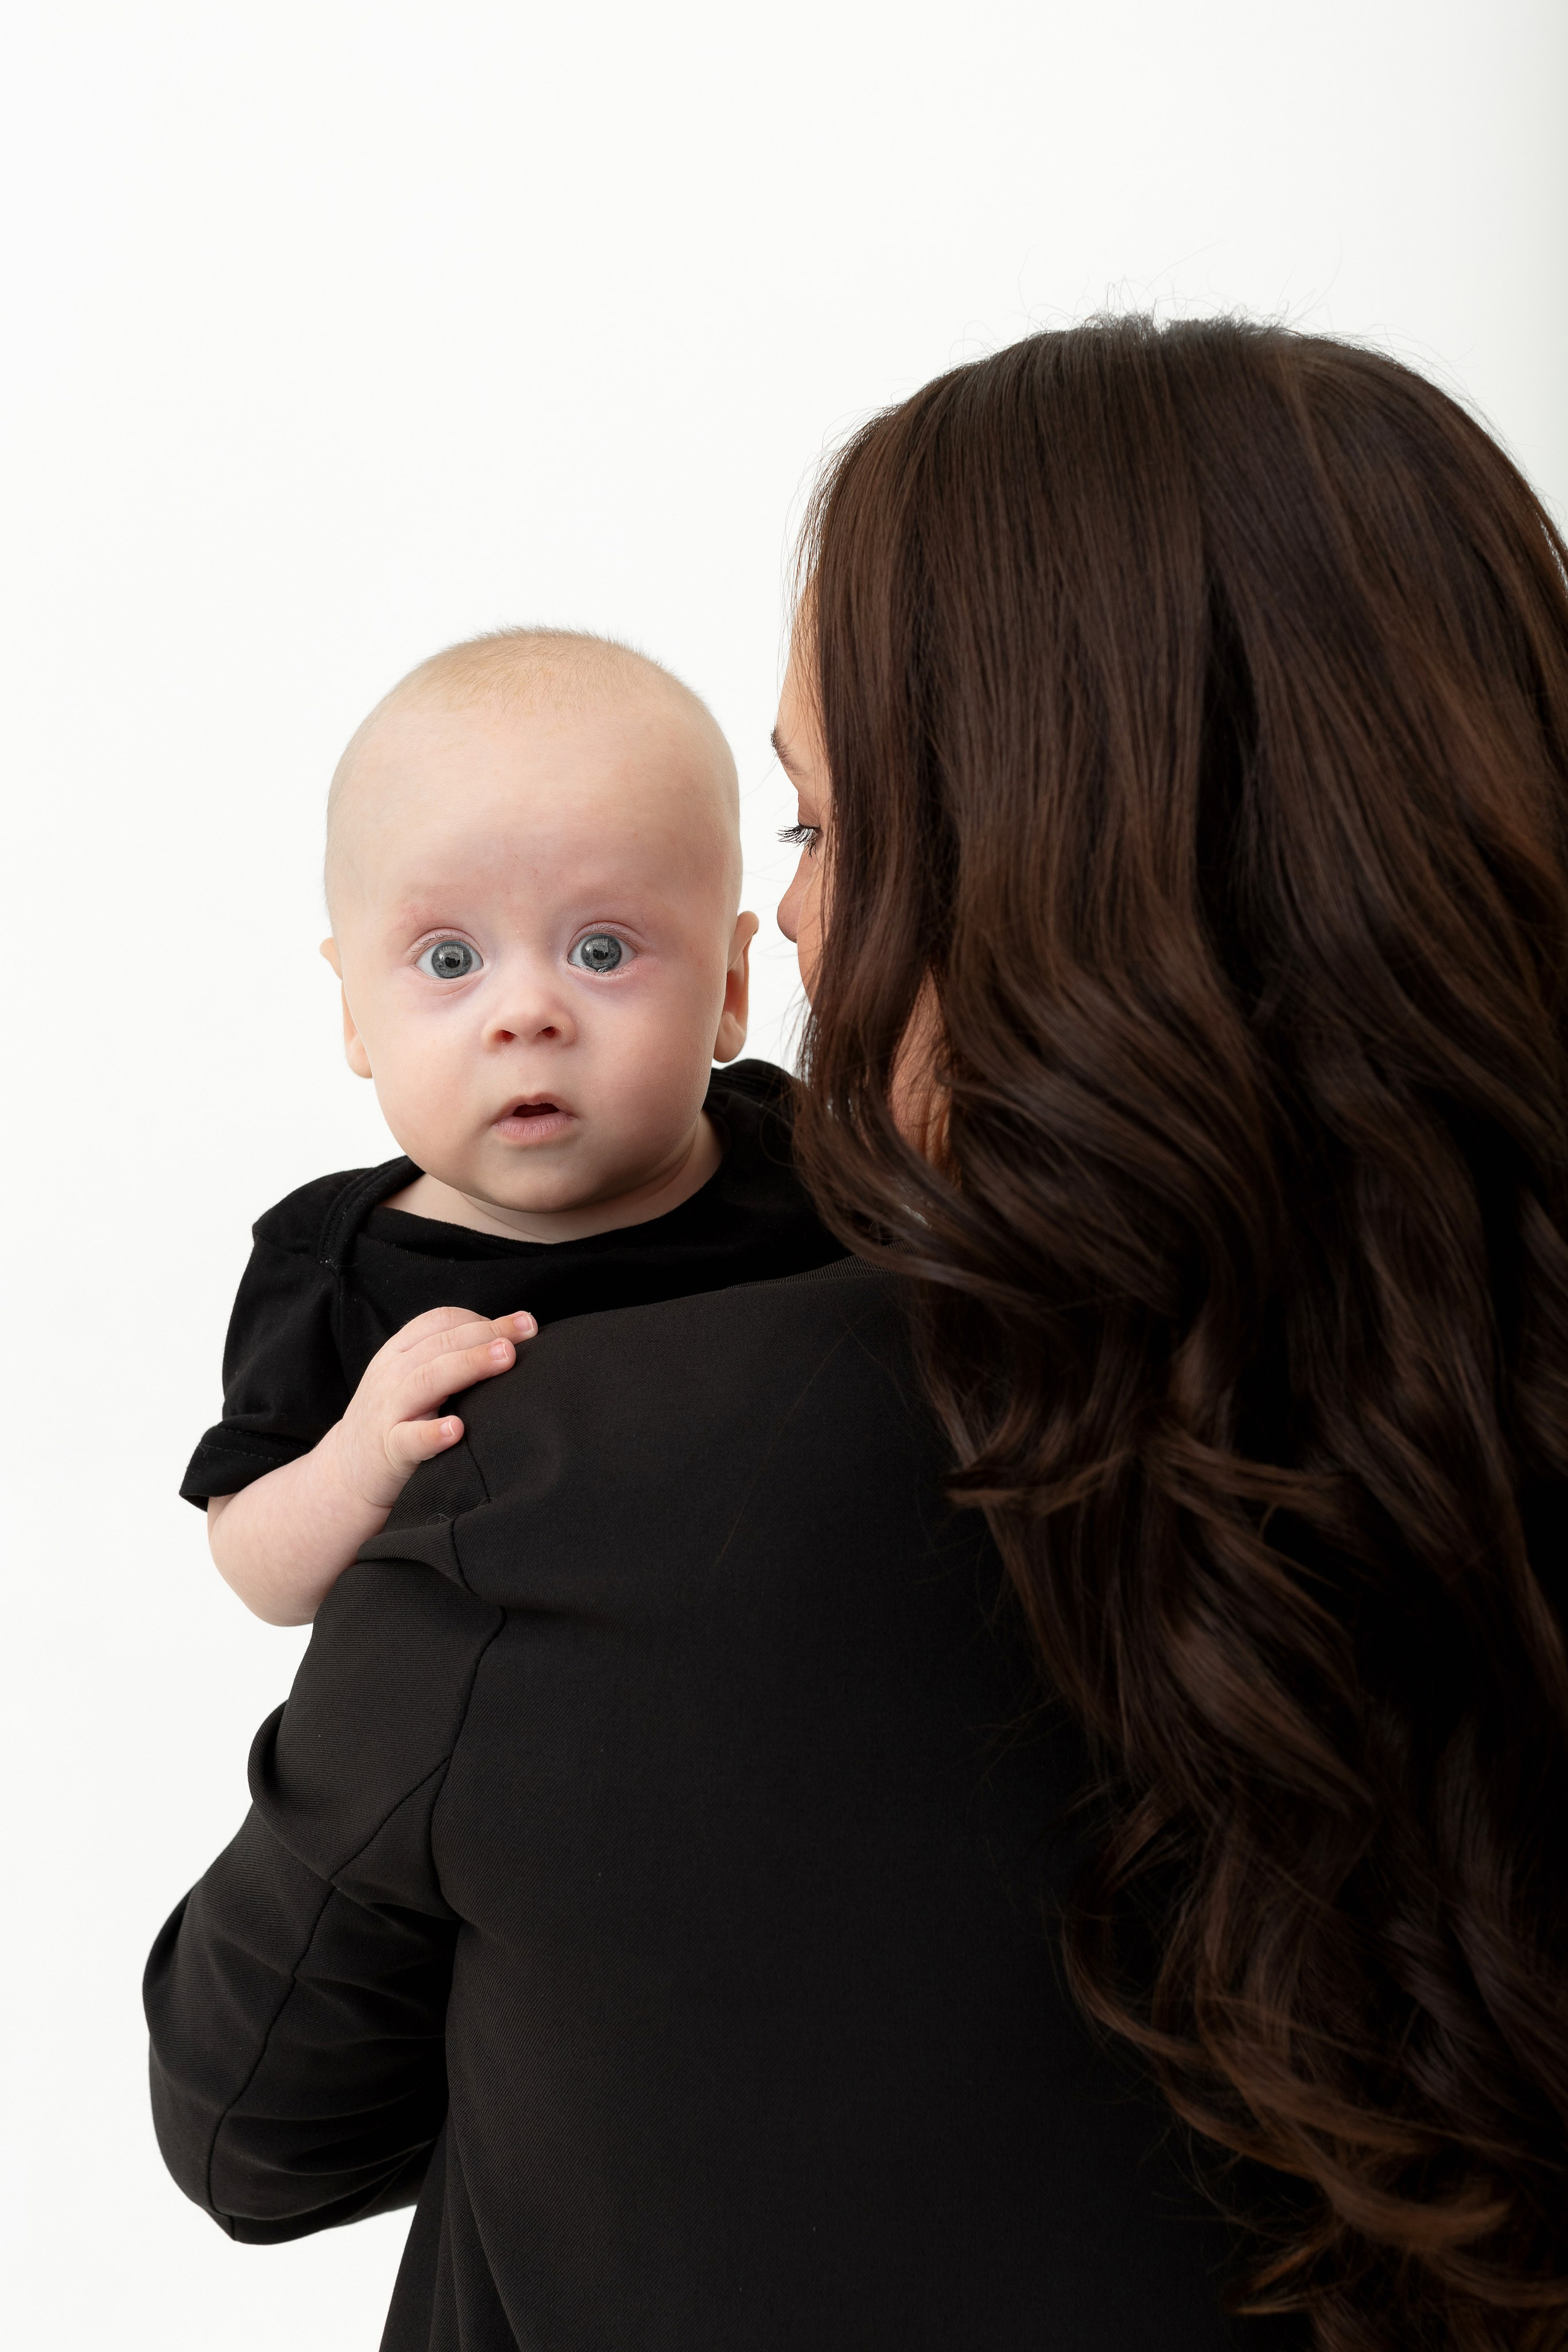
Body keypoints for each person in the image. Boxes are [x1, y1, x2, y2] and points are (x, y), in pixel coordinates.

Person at [146, 318, 1568, 2351]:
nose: (802, 929)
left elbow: (250, 2123)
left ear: (1053, 872)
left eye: (817, 828)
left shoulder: (563, 1477)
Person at [183, 627, 844, 1626]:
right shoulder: (332, 1267)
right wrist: (355, 1463)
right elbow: (259, 1575)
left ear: (730, 989)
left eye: (603, 949)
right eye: (451, 961)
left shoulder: (802, 1161)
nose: (526, 1012)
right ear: (355, 1013)